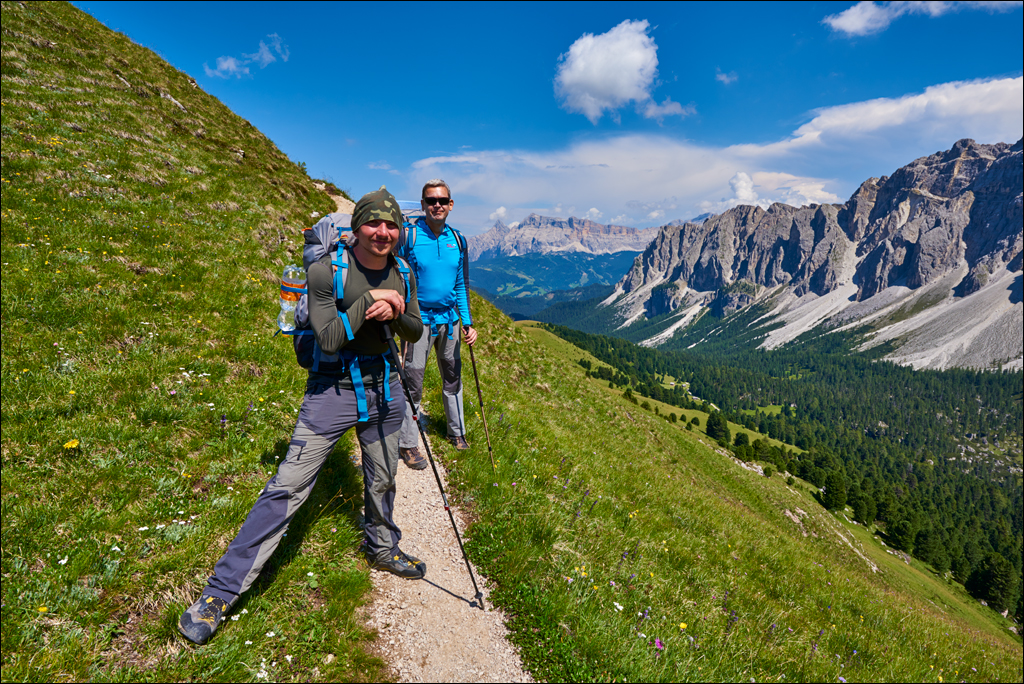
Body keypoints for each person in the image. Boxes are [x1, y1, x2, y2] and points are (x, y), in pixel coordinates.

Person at [179, 186, 425, 646]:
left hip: (384, 388)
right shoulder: (323, 271)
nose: (383, 232)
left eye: (391, 225)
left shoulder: (404, 273)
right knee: (287, 488)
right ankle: (219, 593)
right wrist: (367, 305)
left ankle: (383, 546)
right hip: (331, 389)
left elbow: (414, 327)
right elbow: (329, 338)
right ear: (357, 227)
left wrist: (395, 310)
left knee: (383, 477)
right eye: (374, 222)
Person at [396, 179, 477, 470]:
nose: (437, 205)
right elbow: (399, 276)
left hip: (450, 321)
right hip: (419, 322)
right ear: (423, 205)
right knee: (413, 382)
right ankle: (407, 443)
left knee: (453, 377)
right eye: (431, 200)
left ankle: (457, 432)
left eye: (442, 200)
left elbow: (460, 285)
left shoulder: (457, 240)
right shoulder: (411, 237)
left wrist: (467, 323)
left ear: (451, 204)